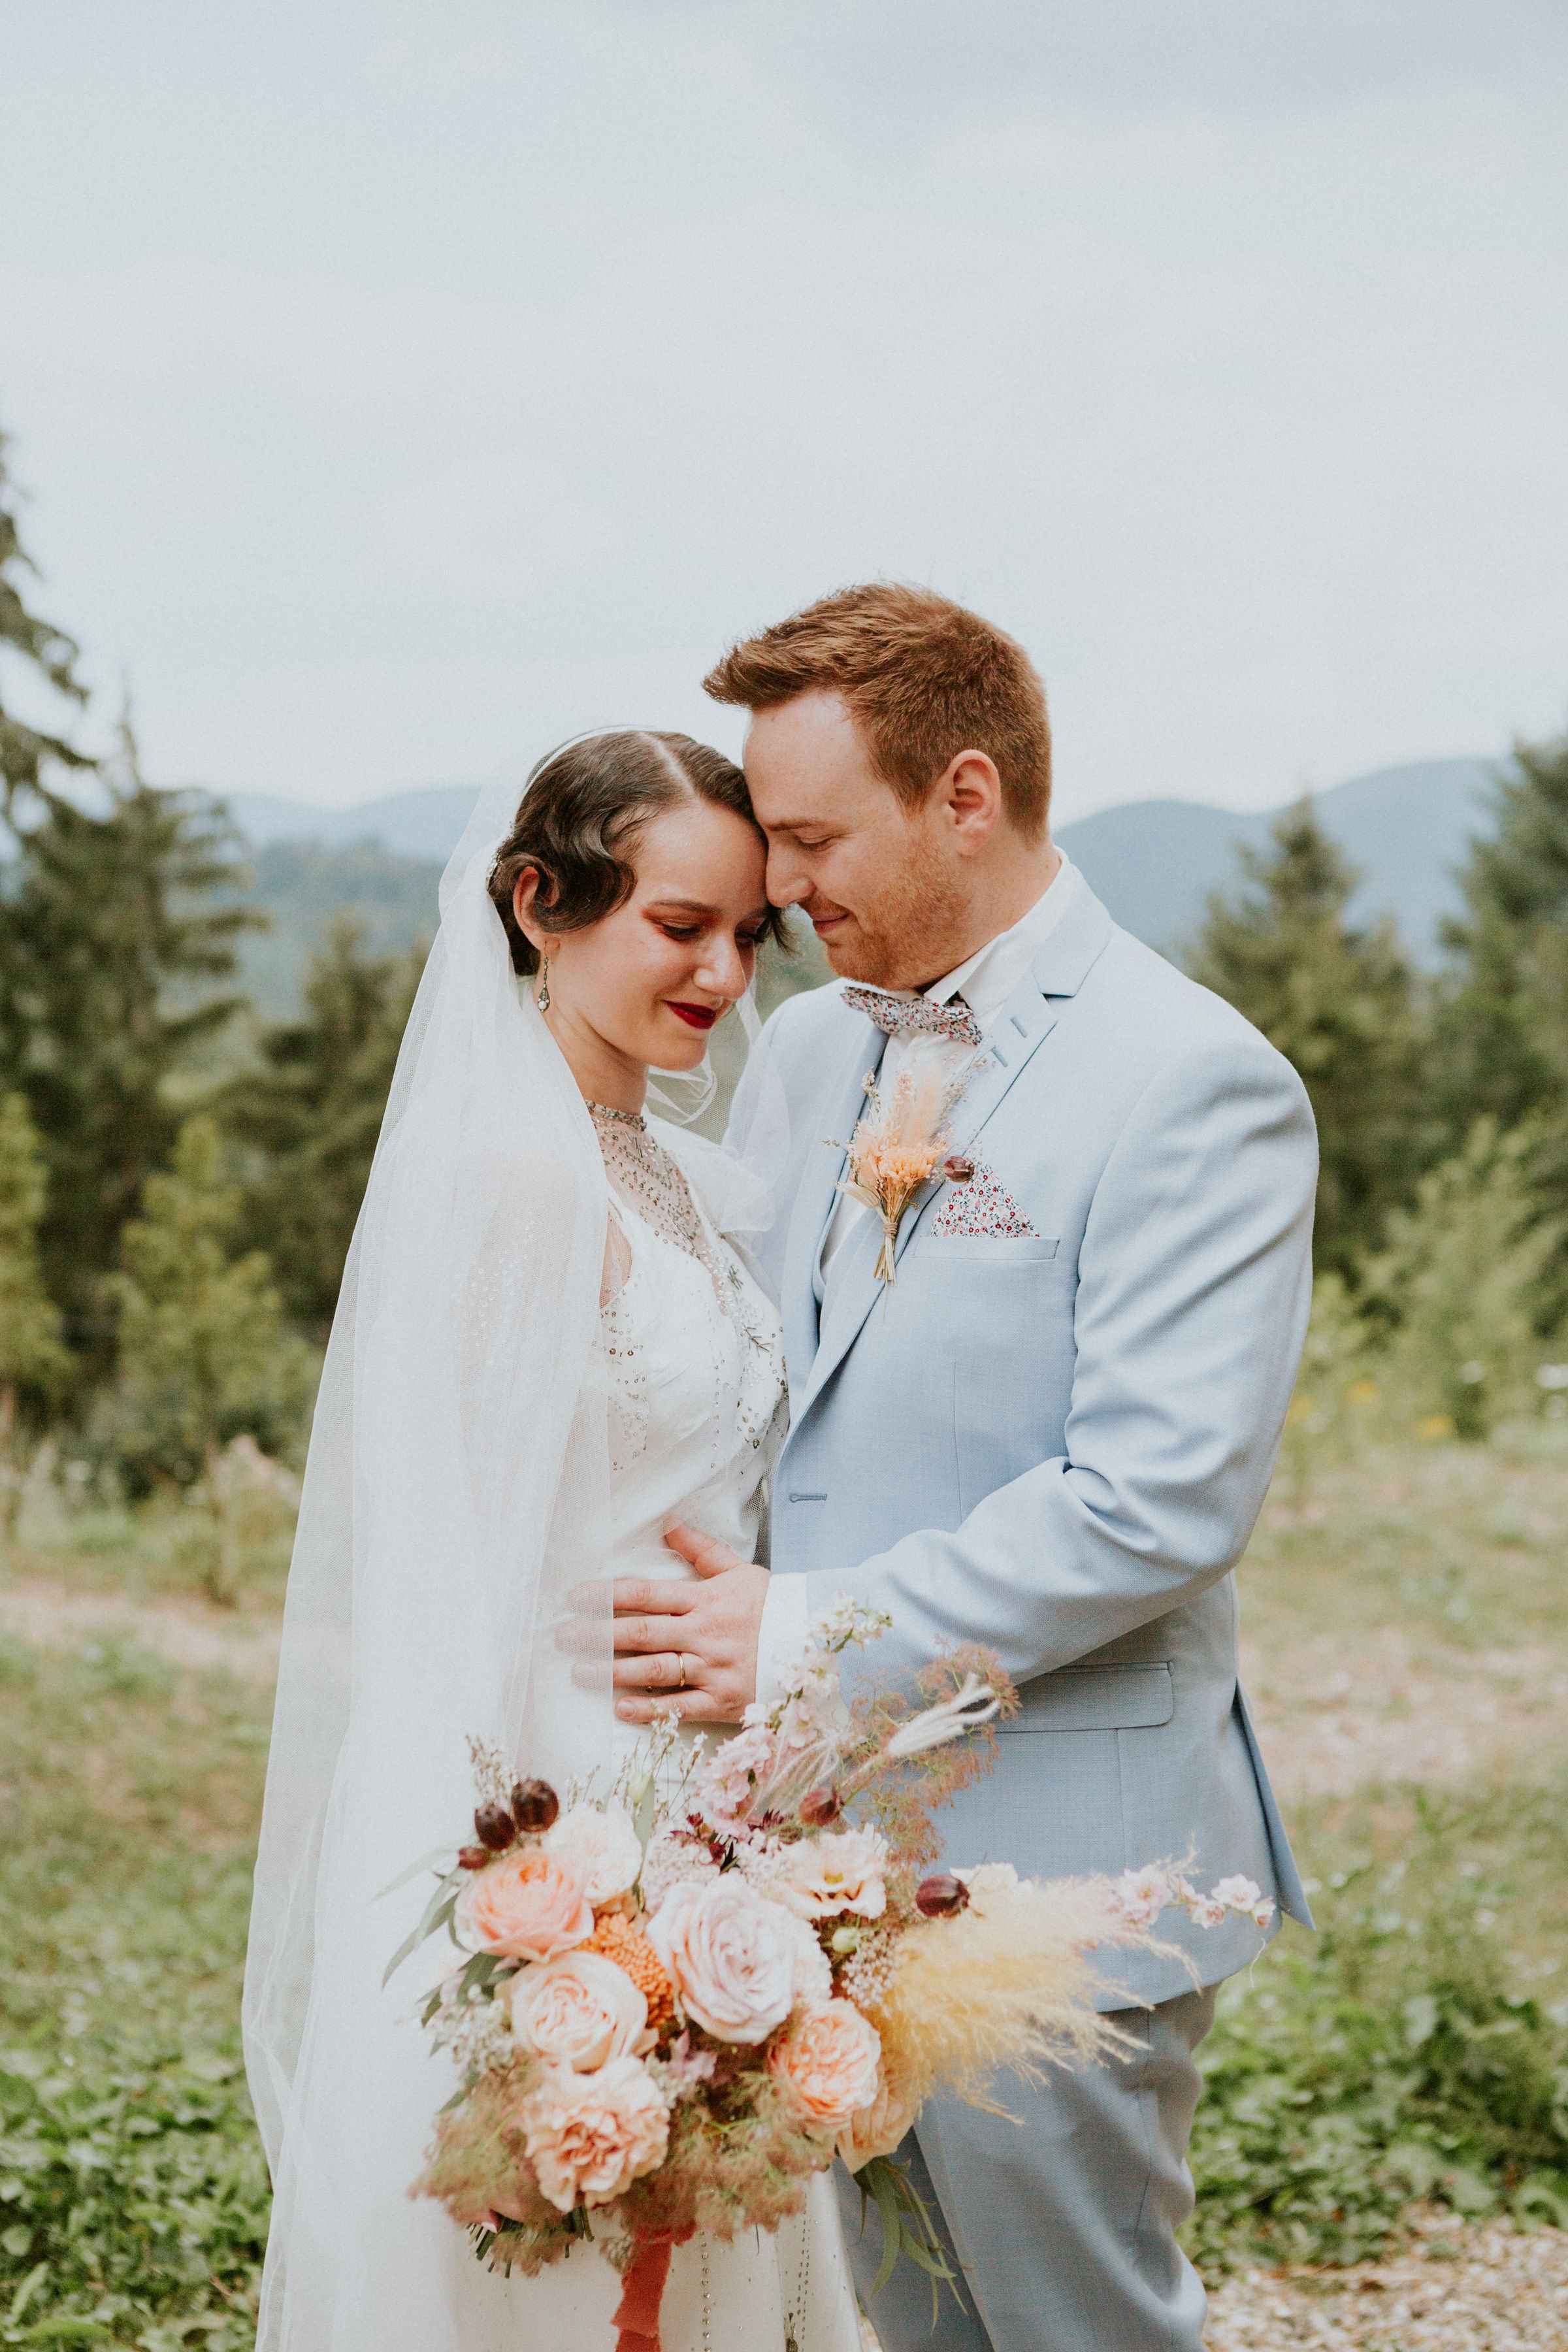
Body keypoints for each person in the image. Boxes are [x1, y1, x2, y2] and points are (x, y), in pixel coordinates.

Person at [606, 585, 1319, 2352]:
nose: (778, 886)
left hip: (1060, 1859)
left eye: (813, 837)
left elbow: (1156, 1498)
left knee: (1074, 2329)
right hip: (808, 1861)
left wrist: (809, 1631)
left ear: (968, 798)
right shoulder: (816, 1045)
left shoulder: (1194, 1082)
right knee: (909, 2331)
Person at [242, 732, 862, 2351]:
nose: (725, 973)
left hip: (705, 1781)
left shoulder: (657, 1164)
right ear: (537, 903)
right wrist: (535, 1906)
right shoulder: (515, 1174)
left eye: (748, 933)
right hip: (563, 1800)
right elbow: (456, 1570)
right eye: (678, 926)